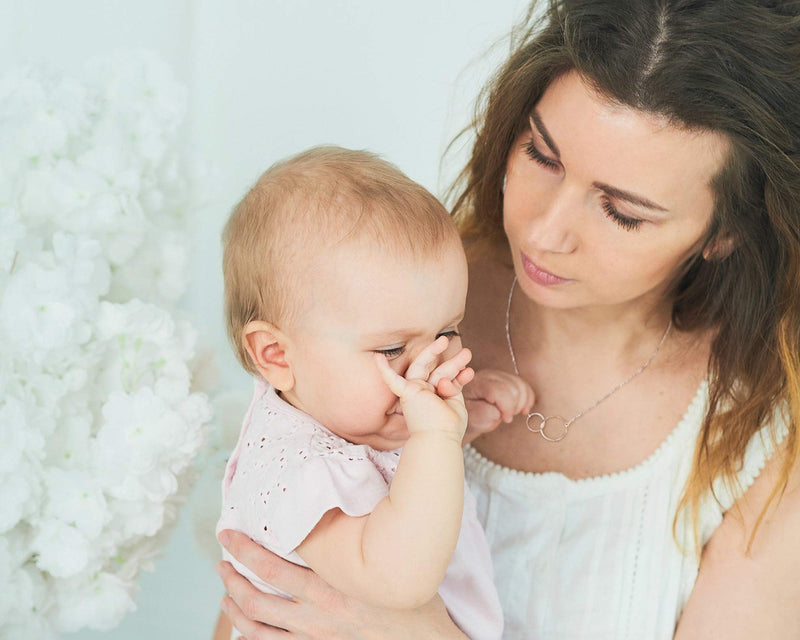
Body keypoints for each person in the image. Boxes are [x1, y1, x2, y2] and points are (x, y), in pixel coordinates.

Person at [216, 0, 800, 637]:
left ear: (729, 231)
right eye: (542, 157)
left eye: (623, 212)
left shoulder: (770, 439)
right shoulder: (369, 302)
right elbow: (252, 603)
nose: (546, 234)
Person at [215, 146, 518, 640]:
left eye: (446, 332)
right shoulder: (299, 471)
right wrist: (435, 442)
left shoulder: (335, 411)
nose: (429, 366)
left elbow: (393, 483)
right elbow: (400, 578)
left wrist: (459, 426)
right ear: (276, 356)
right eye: (394, 347)